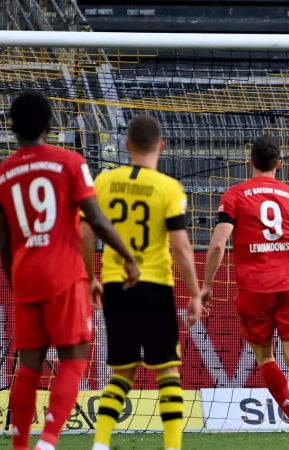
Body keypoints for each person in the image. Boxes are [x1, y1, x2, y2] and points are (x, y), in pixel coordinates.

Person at [0, 91, 140, 450]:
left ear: (12, 127)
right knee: (73, 358)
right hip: (65, 273)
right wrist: (127, 256)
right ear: (50, 124)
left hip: (25, 275)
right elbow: (97, 220)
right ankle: (49, 440)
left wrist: (14, 281)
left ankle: (21, 444)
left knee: (29, 364)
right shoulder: (70, 163)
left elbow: (4, 242)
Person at [84, 115, 204, 450]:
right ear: (161, 146)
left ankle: (101, 444)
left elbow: (84, 230)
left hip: (114, 285)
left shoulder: (104, 182)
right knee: (167, 370)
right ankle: (173, 447)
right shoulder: (168, 187)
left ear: (127, 145)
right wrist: (195, 293)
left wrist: (91, 276)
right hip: (156, 286)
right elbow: (180, 246)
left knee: (122, 372)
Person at [202, 135, 289, 443]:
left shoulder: (235, 195)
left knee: (264, 357)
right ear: (279, 163)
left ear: (250, 161)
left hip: (254, 288)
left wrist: (205, 286)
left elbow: (217, 244)